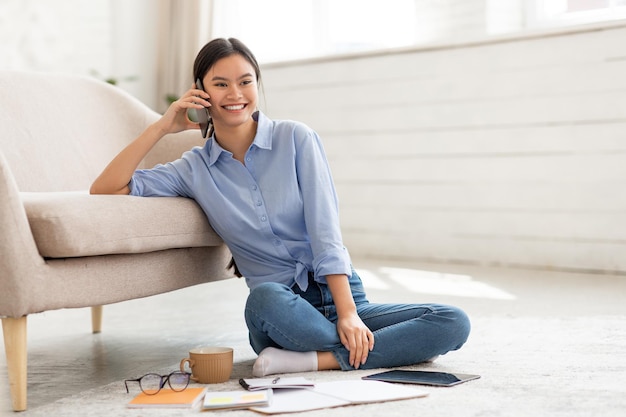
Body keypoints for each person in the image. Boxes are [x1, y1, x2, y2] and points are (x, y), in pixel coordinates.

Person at [90, 37, 471, 377]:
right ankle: (360, 351)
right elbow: (105, 188)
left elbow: (325, 230)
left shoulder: (296, 138)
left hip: (340, 294)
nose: (235, 93)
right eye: (220, 84)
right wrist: (162, 126)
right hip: (280, 311)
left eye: (245, 81)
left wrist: (350, 314)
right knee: (265, 296)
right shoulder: (193, 169)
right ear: (200, 93)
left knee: (452, 322)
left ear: (257, 84)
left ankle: (314, 360)